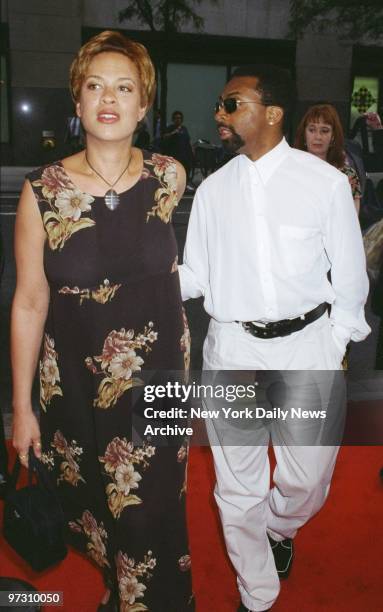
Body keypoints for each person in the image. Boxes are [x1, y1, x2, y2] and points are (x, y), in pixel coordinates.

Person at [11, 30, 193, 612]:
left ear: (144, 106)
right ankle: (122, 593)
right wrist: (20, 408)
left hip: (160, 381)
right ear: (78, 101)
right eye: (95, 86)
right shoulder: (42, 192)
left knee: (152, 515)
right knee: (99, 507)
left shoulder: (169, 177)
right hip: (79, 391)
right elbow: (29, 302)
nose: (108, 98)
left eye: (124, 87)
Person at [179, 65, 370, 611]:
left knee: (307, 479)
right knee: (237, 490)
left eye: (231, 102)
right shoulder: (213, 192)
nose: (220, 113)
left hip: (307, 347)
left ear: (271, 111)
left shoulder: (326, 183)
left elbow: (351, 277)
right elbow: (196, 275)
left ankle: (280, 529)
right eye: (218, 103)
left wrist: (333, 345)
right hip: (233, 348)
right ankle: (257, 593)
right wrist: (134, 277)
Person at [295, 103, 362, 214]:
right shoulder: (291, 169)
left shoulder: (347, 174)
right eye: (312, 130)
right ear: (304, 134)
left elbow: (352, 220)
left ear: (333, 136)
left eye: (324, 131)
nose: (318, 136)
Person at [162, 111, 194, 181]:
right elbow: (165, 137)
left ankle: (185, 183)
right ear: (173, 119)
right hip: (174, 154)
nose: (178, 119)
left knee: (186, 169)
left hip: (184, 154)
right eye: (176, 118)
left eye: (179, 118)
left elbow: (188, 140)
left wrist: (192, 149)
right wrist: (174, 132)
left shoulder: (184, 128)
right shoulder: (170, 128)